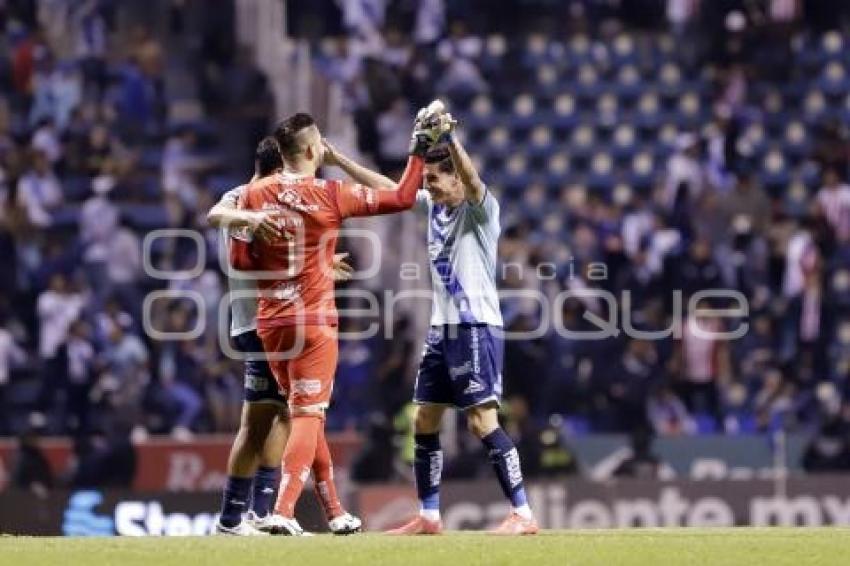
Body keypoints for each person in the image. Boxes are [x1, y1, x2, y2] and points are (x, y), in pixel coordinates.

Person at [325, 104, 539, 535]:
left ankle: (522, 513)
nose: (431, 189)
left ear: (455, 179)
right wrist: (338, 162)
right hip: (443, 331)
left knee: (482, 422)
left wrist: (447, 139)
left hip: (476, 326)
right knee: (424, 418)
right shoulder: (434, 208)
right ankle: (429, 515)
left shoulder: (481, 212)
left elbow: (475, 180)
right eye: (428, 183)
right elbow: (390, 188)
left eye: (436, 181)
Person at [229, 113, 429, 535]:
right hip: (315, 323)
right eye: (320, 144)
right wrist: (418, 151)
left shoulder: (252, 194)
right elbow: (403, 196)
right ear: (310, 151)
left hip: (271, 323)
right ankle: (281, 511)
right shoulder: (331, 193)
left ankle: (335, 510)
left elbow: (240, 261)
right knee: (308, 415)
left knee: (305, 413)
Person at [209, 137, 356, 535]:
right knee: (262, 420)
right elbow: (269, 259)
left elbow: (278, 258)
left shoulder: (244, 195)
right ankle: (237, 517)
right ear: (281, 169)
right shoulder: (255, 198)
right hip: (266, 321)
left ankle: (255, 513)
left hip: (255, 321)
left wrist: (322, 266)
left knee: (282, 415)